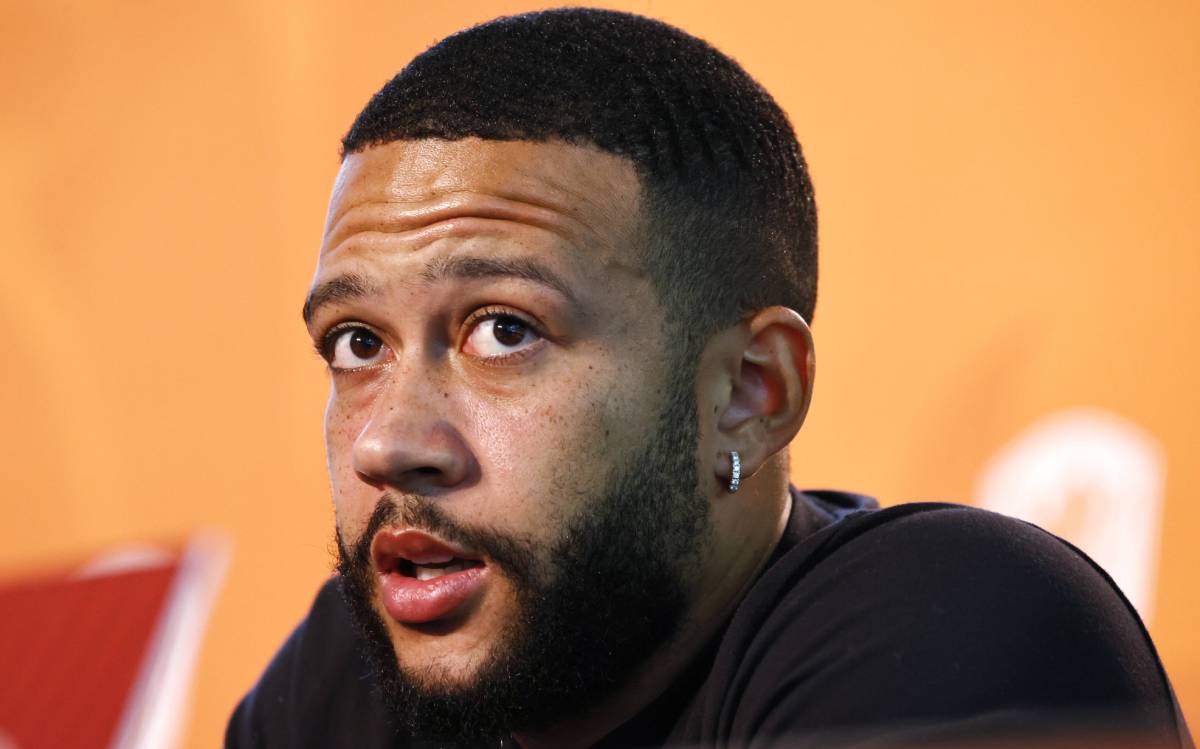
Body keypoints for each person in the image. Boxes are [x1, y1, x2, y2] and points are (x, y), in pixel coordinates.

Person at [226, 8, 1192, 749]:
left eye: (504, 330)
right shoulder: (345, 681)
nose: (387, 442)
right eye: (357, 343)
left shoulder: (954, 625)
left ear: (750, 394)